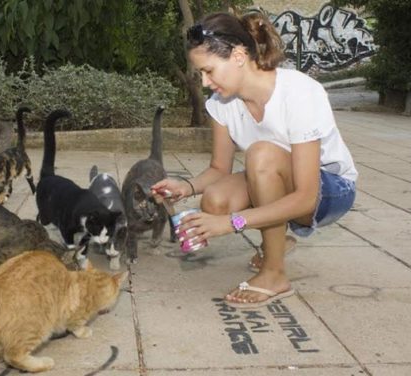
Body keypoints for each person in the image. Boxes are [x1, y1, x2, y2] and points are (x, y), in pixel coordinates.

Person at [152, 12, 357, 308]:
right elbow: (218, 169)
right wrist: (185, 187)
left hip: (330, 190)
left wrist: (231, 223)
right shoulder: (221, 105)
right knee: (215, 200)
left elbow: (304, 197)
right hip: (278, 178)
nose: (206, 82)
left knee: (260, 155)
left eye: (209, 71)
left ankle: (274, 274)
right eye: (201, 74)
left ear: (237, 55)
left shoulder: (298, 93)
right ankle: (278, 242)